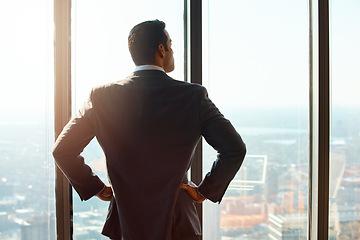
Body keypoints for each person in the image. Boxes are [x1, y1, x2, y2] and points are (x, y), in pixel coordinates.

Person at [52, 20, 246, 240]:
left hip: (125, 222)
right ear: (161, 49)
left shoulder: (101, 97)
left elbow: (63, 151)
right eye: (170, 44)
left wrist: (97, 187)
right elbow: (234, 149)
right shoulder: (193, 96)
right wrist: (204, 191)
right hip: (177, 223)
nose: (172, 51)